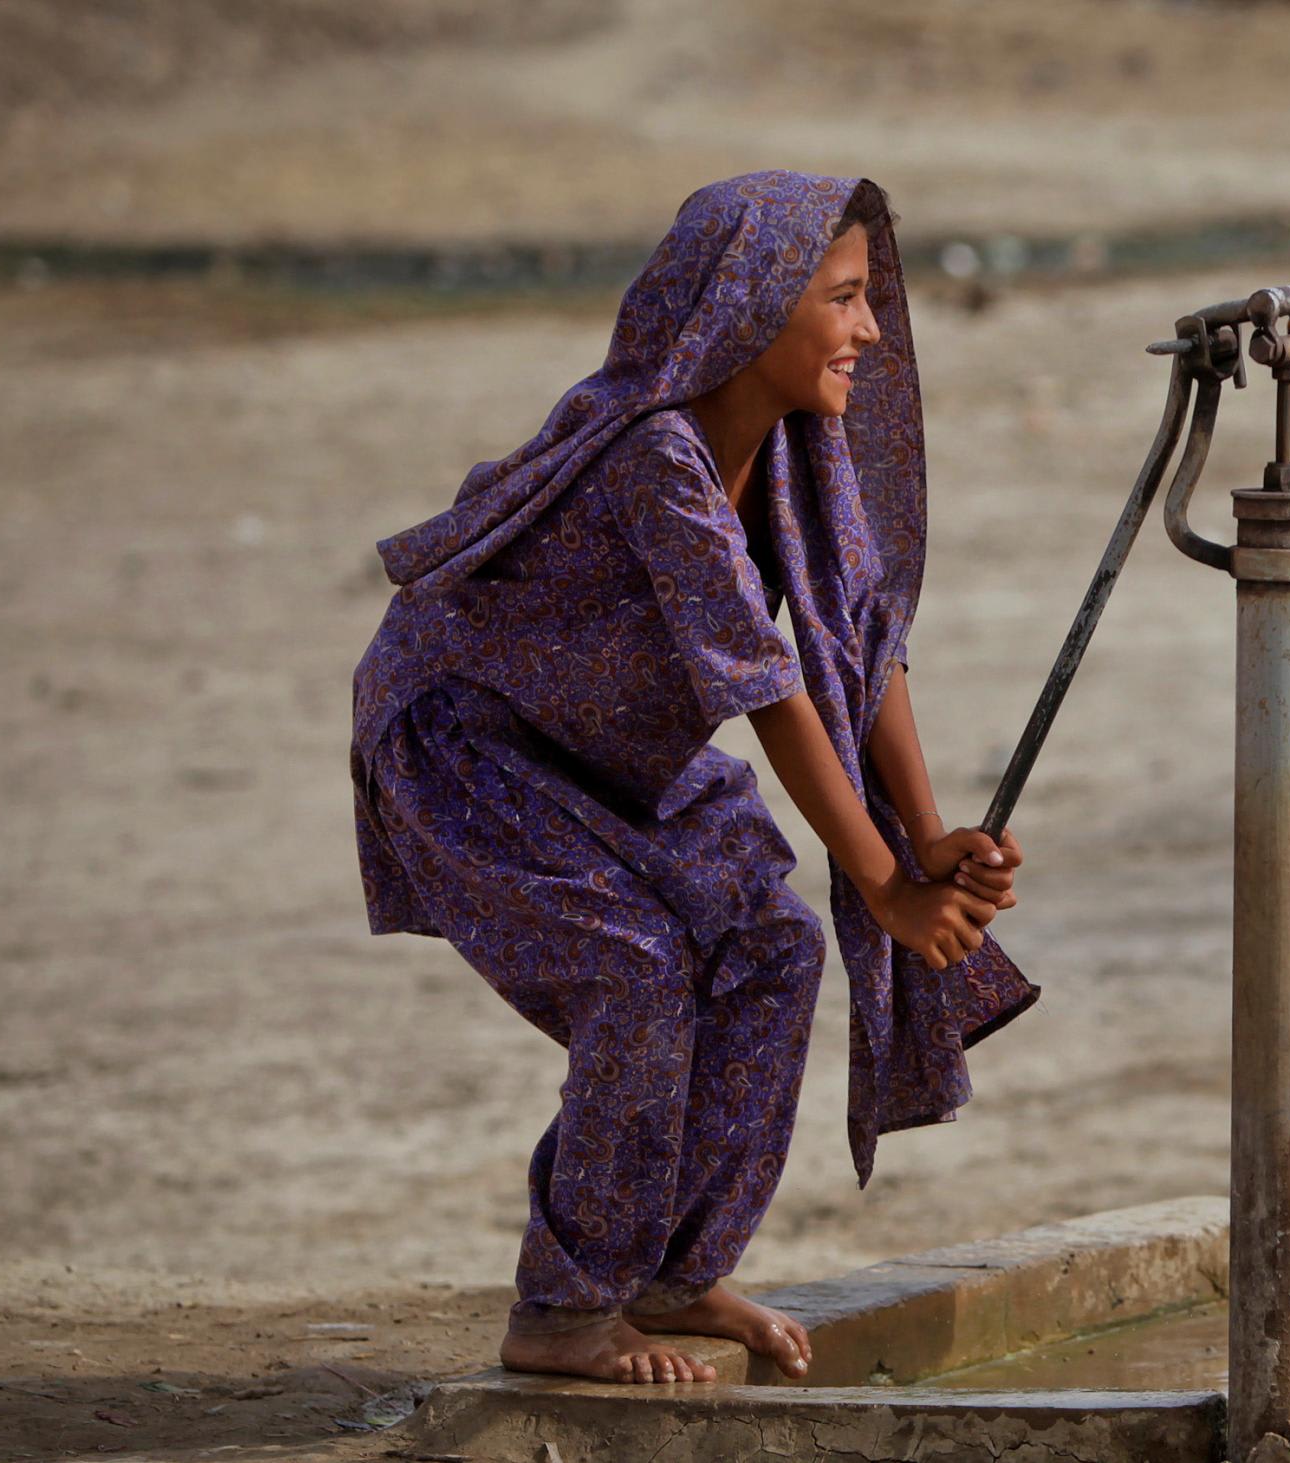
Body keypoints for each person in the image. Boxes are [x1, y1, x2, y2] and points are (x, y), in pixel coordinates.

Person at [350, 172, 1037, 1385]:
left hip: (619, 749)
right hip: (471, 743)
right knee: (637, 969)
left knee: (771, 945)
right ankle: (560, 1308)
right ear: (747, 313)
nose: (870, 333)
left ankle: (670, 1269)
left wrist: (924, 835)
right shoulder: (654, 456)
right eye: (842, 301)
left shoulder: (794, 450)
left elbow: (850, 636)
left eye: (869, 300)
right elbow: (765, 686)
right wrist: (881, 883)